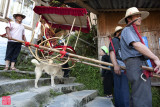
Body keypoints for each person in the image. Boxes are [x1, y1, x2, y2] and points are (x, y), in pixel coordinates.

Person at [119, 7, 160, 107]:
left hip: (136, 64)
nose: (140, 18)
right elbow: (137, 45)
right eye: (137, 15)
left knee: (138, 96)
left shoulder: (132, 31)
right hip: (136, 64)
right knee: (143, 98)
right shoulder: (128, 29)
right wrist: (155, 58)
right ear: (129, 19)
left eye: (140, 16)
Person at [109, 26, 130, 107]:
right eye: (120, 32)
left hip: (122, 66)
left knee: (121, 88)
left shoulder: (121, 42)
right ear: (117, 33)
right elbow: (112, 52)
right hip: (119, 66)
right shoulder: (115, 40)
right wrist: (116, 65)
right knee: (123, 88)